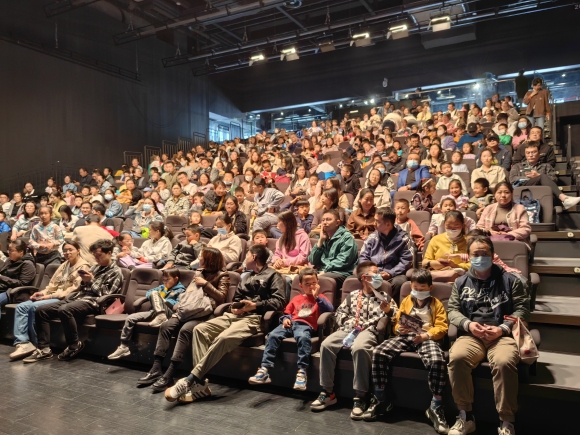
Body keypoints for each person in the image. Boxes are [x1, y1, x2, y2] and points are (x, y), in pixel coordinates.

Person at [164, 244, 285, 403]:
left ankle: (190, 380)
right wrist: (235, 308)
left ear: (254, 257)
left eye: (247, 254)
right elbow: (236, 299)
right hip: (234, 315)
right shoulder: (246, 276)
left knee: (223, 338)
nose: (245, 257)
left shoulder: (273, 275)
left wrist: (255, 305)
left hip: (254, 318)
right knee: (200, 329)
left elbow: (280, 302)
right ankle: (200, 384)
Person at [447, 236, 530, 435]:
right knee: (457, 358)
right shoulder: (460, 282)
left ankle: (506, 421)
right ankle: (465, 416)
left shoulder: (511, 281)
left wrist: (502, 328)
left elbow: (522, 310)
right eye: (476, 254)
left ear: (493, 255)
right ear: (469, 256)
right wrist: (468, 324)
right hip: (472, 335)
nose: (480, 258)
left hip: (502, 335)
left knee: (504, 362)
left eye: (485, 254)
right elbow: (452, 310)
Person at [310, 261, 397, 419]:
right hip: (350, 329)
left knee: (360, 347)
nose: (379, 276)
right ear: (365, 277)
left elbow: (395, 317)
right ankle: (327, 392)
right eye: (375, 273)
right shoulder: (353, 296)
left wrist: (389, 311)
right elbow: (340, 314)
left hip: (369, 331)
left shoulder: (384, 297)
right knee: (326, 344)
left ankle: (360, 396)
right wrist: (350, 324)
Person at [366, 269, 449, 431]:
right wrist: (399, 329)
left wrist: (426, 336)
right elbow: (398, 321)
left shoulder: (436, 304)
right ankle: (381, 398)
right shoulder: (407, 301)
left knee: (437, 360)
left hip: (425, 337)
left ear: (430, 288)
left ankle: (436, 406)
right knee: (378, 352)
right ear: (411, 286)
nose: (418, 291)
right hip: (406, 336)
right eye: (415, 288)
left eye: (422, 288)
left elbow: (442, 327)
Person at [138, 247, 230, 391]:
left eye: (202, 256)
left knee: (186, 330)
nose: (199, 258)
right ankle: (156, 369)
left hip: (204, 313)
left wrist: (205, 284)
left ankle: (170, 374)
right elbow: (189, 294)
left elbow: (221, 297)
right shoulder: (198, 271)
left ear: (209, 259)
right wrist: (179, 309)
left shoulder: (223, 275)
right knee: (166, 326)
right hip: (187, 310)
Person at [26, 239, 123, 362]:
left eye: (99, 255)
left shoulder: (116, 272)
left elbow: (106, 294)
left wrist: (91, 280)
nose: (96, 258)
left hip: (95, 302)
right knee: (41, 310)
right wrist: (84, 281)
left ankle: (74, 345)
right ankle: (44, 349)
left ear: (109, 253)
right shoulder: (95, 268)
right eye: (94, 255)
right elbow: (82, 287)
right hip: (78, 298)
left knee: (65, 309)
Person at [249, 268, 333, 390]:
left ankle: (302, 372)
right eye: (307, 284)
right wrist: (285, 319)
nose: (311, 286)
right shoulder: (296, 299)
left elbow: (329, 310)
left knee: (303, 338)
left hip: (305, 326)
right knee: (272, 335)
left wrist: (317, 298)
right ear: (301, 285)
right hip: (291, 324)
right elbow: (287, 312)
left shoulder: (320, 297)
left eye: (314, 283)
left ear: (318, 283)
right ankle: (264, 370)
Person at [9, 241, 90, 360]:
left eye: (70, 250)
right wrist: (42, 293)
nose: (67, 253)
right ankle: (23, 343)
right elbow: (52, 284)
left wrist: (49, 296)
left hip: (64, 298)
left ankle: (38, 346)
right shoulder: (64, 265)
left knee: (33, 307)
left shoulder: (83, 266)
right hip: (52, 295)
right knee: (21, 307)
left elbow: (73, 289)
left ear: (78, 250)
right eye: (65, 250)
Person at [108, 268, 187, 360]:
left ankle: (161, 316)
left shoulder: (181, 290)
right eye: (163, 279)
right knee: (130, 318)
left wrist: (163, 300)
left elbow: (177, 304)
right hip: (154, 312)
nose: (165, 282)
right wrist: (160, 295)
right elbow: (149, 292)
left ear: (176, 279)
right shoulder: (162, 287)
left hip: (169, 313)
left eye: (167, 279)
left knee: (154, 293)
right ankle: (124, 346)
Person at [359, 207, 413, 300]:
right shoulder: (372, 237)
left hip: (394, 273)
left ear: (388, 224)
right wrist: (369, 271)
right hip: (372, 272)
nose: (374, 223)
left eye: (377, 221)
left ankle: (390, 307)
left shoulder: (404, 238)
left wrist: (390, 273)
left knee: (400, 282)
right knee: (355, 278)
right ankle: (365, 304)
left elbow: (406, 261)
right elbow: (363, 257)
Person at [510, 142, 580, 210]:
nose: (531, 155)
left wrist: (538, 176)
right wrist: (532, 178)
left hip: (542, 192)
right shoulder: (518, 166)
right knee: (542, 176)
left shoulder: (547, 166)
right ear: (525, 154)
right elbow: (512, 179)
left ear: (539, 152)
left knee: (542, 178)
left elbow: (554, 180)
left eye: (533, 152)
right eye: (528, 153)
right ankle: (563, 198)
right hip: (524, 191)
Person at [308, 209, 358, 291]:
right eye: (323, 220)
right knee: (302, 277)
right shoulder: (324, 237)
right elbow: (313, 260)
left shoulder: (347, 237)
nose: (324, 222)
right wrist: (320, 241)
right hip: (324, 270)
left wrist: (325, 270)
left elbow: (343, 260)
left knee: (321, 280)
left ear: (337, 223)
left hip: (341, 272)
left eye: (328, 219)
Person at [271, 210, 312, 300]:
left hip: (297, 268)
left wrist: (285, 262)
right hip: (283, 268)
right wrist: (277, 260)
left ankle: (286, 305)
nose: (277, 225)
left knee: (286, 280)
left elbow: (303, 257)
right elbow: (276, 254)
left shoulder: (302, 236)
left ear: (286, 223)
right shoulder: (281, 238)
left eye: (279, 222)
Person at [423, 211, 471, 282]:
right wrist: (438, 264)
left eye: (456, 226)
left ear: (463, 225)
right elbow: (425, 262)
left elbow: (473, 264)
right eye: (448, 226)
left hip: (461, 277)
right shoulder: (436, 239)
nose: (452, 229)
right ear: (444, 224)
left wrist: (455, 266)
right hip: (439, 276)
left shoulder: (468, 241)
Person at [0, 240, 36, 316]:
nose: (8, 252)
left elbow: (22, 283)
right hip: (3, 288)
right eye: (8, 250)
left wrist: (1, 278)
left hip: (14, 292)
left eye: (11, 250)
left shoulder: (27, 264)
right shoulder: (9, 260)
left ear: (21, 252)